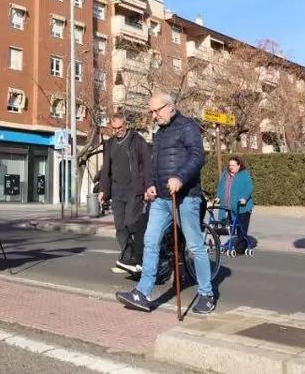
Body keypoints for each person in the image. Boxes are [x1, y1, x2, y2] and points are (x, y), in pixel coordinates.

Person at [115, 91, 216, 315]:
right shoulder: (159, 133)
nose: (153, 116)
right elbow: (154, 162)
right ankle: (142, 293)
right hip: (162, 197)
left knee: (194, 245)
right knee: (151, 241)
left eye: (156, 111)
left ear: (169, 107)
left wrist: (180, 177)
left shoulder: (187, 126)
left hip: (186, 196)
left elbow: (198, 155)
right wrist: (151, 183)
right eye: (151, 111)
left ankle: (207, 294)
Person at [99, 113, 151, 275]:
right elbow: (106, 169)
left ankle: (141, 255)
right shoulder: (110, 144)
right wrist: (103, 190)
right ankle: (127, 258)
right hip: (117, 191)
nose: (117, 131)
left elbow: (148, 165)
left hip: (133, 190)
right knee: (120, 227)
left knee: (131, 223)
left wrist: (148, 186)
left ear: (126, 125)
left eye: (120, 128)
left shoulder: (136, 141)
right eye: (114, 129)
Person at [216, 157, 254, 251]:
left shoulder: (244, 174)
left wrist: (244, 198)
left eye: (233, 165)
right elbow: (221, 187)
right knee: (232, 227)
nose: (231, 167)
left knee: (241, 228)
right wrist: (218, 197)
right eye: (230, 165)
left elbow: (249, 187)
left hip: (242, 207)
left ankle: (241, 247)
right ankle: (236, 243)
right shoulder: (226, 174)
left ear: (238, 165)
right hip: (229, 206)